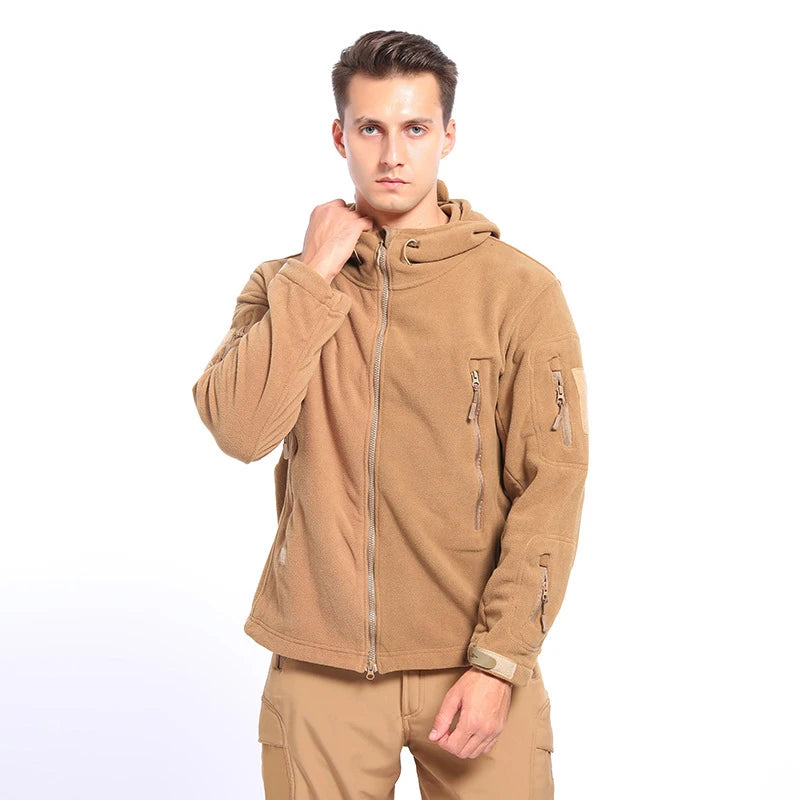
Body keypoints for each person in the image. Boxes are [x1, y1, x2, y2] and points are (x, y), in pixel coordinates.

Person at [191, 29, 589, 800]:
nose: (392, 155)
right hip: (320, 667)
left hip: (473, 666)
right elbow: (240, 431)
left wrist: (501, 661)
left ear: (448, 136)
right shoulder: (284, 285)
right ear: (340, 136)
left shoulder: (519, 291)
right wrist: (312, 276)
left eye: (414, 128)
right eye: (371, 128)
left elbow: (552, 488)